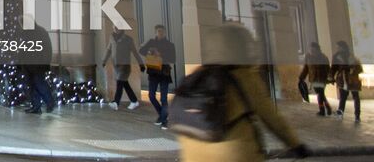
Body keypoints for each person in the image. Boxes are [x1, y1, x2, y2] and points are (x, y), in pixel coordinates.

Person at [175, 24, 307, 162]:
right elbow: (273, 119)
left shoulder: (196, 75)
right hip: (235, 155)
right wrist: (295, 144)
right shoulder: (245, 77)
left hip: (194, 156)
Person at [139, 24, 177, 128]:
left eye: (162, 31)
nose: (160, 33)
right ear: (155, 32)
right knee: (151, 96)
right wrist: (149, 51)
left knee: (164, 98)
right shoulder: (151, 42)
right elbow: (141, 51)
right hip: (153, 72)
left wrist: (160, 54)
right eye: (158, 31)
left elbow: (173, 59)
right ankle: (162, 114)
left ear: (164, 32)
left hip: (164, 73)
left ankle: (164, 120)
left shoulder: (170, 45)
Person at [103, 28, 143, 109]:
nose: (115, 29)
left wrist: (141, 64)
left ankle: (116, 102)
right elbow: (108, 49)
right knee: (125, 84)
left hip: (125, 66)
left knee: (120, 83)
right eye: (114, 27)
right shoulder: (112, 38)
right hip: (116, 66)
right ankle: (134, 101)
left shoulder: (128, 39)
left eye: (117, 27)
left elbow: (135, 52)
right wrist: (104, 60)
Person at [22, 22, 56, 114]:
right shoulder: (29, 32)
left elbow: (46, 48)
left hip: (37, 64)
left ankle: (49, 103)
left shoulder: (39, 32)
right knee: (34, 86)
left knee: (39, 84)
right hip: (30, 64)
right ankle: (36, 106)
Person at [333, 40, 362, 121]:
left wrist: (349, 69)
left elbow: (358, 68)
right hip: (343, 79)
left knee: (355, 97)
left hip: (352, 79)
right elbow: (334, 68)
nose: (338, 49)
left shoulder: (351, 56)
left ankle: (357, 115)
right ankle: (340, 114)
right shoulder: (336, 56)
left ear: (343, 47)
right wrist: (331, 77)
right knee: (343, 97)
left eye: (339, 47)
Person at [301, 42, 332, 116]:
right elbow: (306, 68)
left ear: (317, 49)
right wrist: (302, 76)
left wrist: (330, 77)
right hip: (314, 78)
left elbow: (328, 69)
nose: (311, 50)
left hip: (322, 78)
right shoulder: (308, 56)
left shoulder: (323, 57)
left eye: (313, 48)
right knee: (320, 94)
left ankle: (322, 110)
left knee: (320, 94)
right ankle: (327, 107)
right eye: (310, 48)